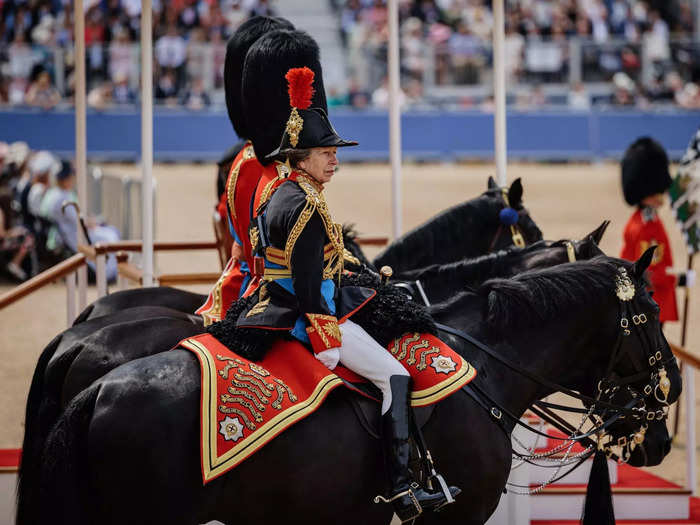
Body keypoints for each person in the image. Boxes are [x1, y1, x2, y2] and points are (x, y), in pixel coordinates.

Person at [234, 67, 459, 522]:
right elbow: (310, 287)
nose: (335, 159)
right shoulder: (308, 207)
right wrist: (327, 341)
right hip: (305, 315)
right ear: (300, 157)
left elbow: (305, 262)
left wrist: (360, 272)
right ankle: (402, 488)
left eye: (335, 151)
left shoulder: (279, 191)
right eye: (326, 152)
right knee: (396, 377)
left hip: (272, 300)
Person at [620, 137, 695, 323]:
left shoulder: (645, 221)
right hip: (649, 301)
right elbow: (647, 273)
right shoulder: (645, 229)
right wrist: (679, 279)